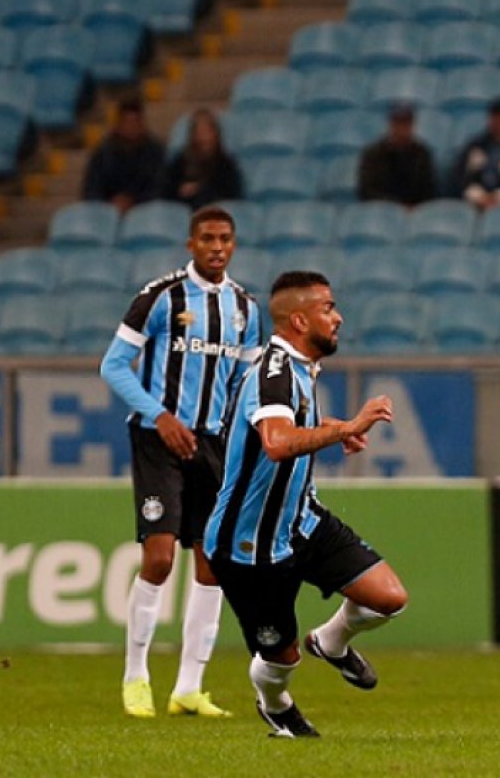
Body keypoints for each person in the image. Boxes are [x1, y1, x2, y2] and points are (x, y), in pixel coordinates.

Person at [203, 271, 409, 738]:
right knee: (281, 656)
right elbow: (276, 443)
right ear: (299, 319)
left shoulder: (296, 366)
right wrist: (343, 427)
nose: (337, 318)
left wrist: (337, 426)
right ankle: (276, 706)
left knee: (388, 598)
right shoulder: (274, 371)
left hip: (300, 521)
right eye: (328, 309)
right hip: (249, 544)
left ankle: (332, 642)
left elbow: (281, 428)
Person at [99, 205, 263, 719]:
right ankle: (136, 678)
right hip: (158, 439)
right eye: (208, 238)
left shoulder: (245, 310)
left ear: (234, 245)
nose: (217, 247)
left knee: (213, 566)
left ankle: (189, 687)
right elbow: (112, 366)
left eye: (225, 239)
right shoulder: (160, 298)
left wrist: (249, 437)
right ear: (190, 244)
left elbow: (246, 385)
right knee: (160, 557)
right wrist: (159, 414)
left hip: (214, 446)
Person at [83, 96, 166, 213]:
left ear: (142, 123)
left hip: (146, 213)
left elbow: (160, 188)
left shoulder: (156, 152)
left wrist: (134, 202)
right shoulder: (103, 153)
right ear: (118, 124)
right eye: (127, 122)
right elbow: (91, 189)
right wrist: (110, 204)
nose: (131, 127)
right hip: (106, 213)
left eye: (135, 121)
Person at [160, 108, 244, 210]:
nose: (204, 138)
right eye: (199, 132)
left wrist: (201, 190)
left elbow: (233, 197)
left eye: (207, 131)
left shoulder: (226, 165)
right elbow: (164, 192)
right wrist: (181, 191)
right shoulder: (180, 162)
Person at [357, 102, 437, 206]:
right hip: (381, 212)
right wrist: (396, 207)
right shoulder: (372, 155)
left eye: (406, 123)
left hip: (415, 214)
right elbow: (367, 192)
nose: (402, 129)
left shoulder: (422, 154)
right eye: (398, 123)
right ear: (390, 124)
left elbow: (428, 192)